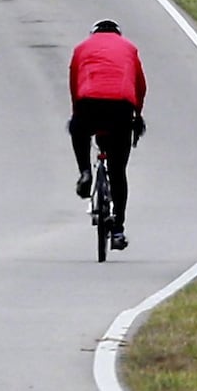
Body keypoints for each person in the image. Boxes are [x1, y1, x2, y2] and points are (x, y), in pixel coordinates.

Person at [68, 18, 147, 251]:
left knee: (78, 129)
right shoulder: (129, 49)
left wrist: (77, 113)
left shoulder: (82, 48)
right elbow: (141, 86)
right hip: (121, 106)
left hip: (89, 102)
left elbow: (74, 83)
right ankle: (118, 229)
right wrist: (137, 114)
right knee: (118, 172)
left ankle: (84, 172)